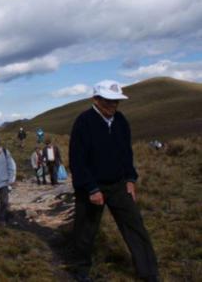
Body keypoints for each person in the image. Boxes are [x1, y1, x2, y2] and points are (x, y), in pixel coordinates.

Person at [69, 80, 159, 282]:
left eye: (116, 101)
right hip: (90, 187)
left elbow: (126, 153)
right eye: (109, 101)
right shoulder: (83, 122)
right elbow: (77, 160)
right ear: (96, 99)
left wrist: (130, 178)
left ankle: (149, 273)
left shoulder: (121, 121)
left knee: (135, 226)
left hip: (119, 184)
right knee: (85, 230)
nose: (113, 105)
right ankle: (81, 270)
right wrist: (91, 188)